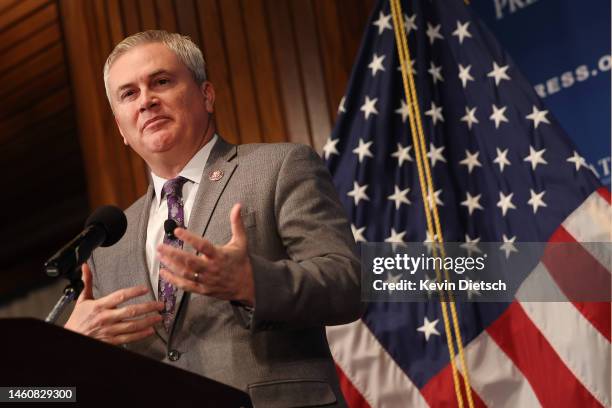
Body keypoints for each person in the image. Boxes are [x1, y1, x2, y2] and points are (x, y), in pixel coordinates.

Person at [64, 30, 361, 407]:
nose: (147, 101)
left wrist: (253, 283)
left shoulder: (279, 167)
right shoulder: (107, 242)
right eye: (129, 94)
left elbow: (350, 281)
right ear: (121, 128)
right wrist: (75, 349)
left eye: (161, 82)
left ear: (207, 95)